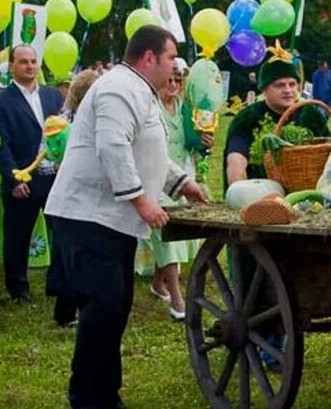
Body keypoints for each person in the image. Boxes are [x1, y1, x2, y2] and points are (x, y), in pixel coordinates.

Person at [45, 25, 207, 408]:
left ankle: (105, 394)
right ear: (149, 57)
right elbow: (113, 146)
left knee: (114, 309)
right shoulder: (118, 88)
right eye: (171, 58)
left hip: (109, 221)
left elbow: (147, 150)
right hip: (87, 216)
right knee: (102, 309)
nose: (175, 67)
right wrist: (140, 200)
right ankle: (87, 397)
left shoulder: (140, 91)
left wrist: (181, 182)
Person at [135, 59, 211, 320]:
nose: (172, 84)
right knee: (164, 234)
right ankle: (178, 300)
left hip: (184, 176)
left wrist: (205, 141)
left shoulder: (185, 109)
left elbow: (196, 143)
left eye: (178, 79)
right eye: (168, 78)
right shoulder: (148, 108)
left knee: (179, 236)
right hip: (156, 179)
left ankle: (159, 283)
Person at [0, 45, 64, 302]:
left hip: (53, 179)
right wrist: (13, 179)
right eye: (23, 62)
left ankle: (57, 283)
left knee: (62, 232)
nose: (30, 66)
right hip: (23, 179)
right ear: (11, 66)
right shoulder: (0, 102)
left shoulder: (54, 96)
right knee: (18, 236)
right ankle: (18, 288)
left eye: (33, 61)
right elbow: (0, 143)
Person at [225, 51, 329, 188]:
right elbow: (236, 157)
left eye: (292, 84)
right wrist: (238, 191)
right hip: (264, 193)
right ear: (264, 89)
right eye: (280, 85)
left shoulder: (311, 115)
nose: (288, 90)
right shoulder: (249, 118)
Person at [47, 68, 98, 327]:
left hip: (70, 199)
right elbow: (46, 156)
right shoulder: (67, 123)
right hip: (72, 199)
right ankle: (68, 312)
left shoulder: (65, 120)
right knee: (72, 261)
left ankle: (66, 311)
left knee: (67, 258)